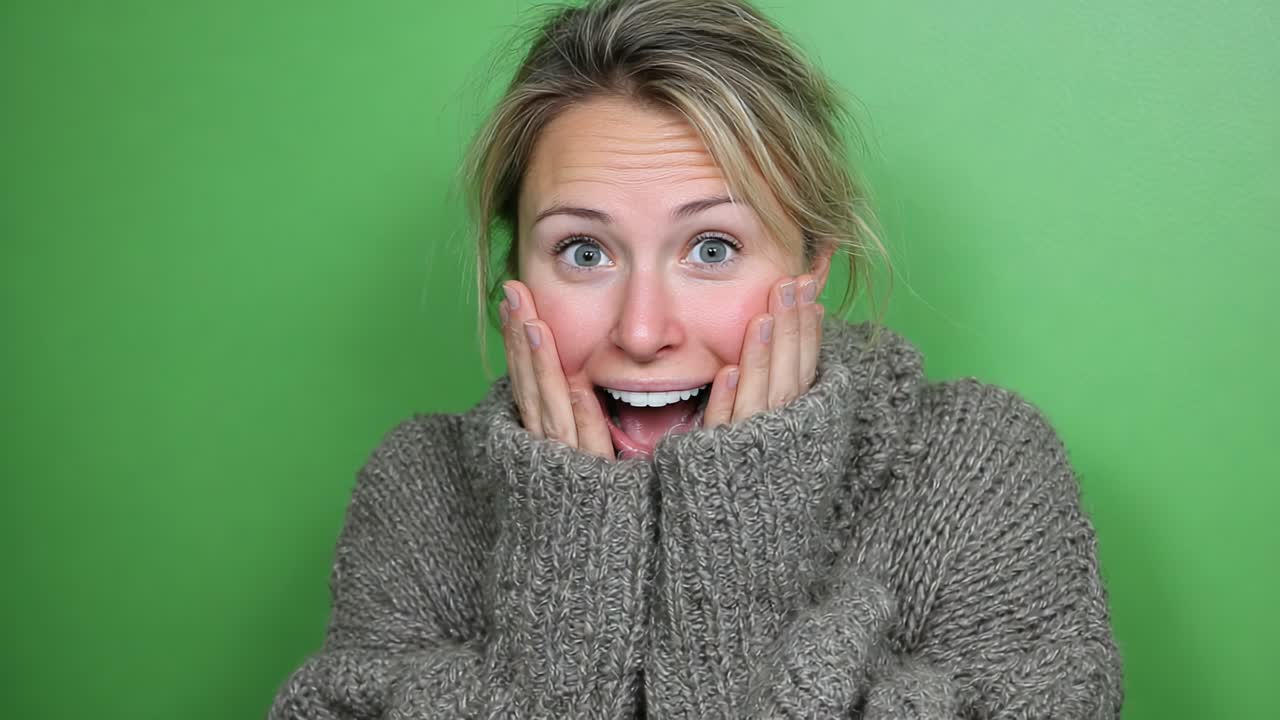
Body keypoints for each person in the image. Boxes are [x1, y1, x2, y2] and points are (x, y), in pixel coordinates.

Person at [268, 0, 1124, 717]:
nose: (642, 331)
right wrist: (567, 559)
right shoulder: (422, 494)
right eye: (583, 252)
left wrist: (742, 532)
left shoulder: (976, 472)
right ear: (515, 270)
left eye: (712, 248)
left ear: (812, 259)